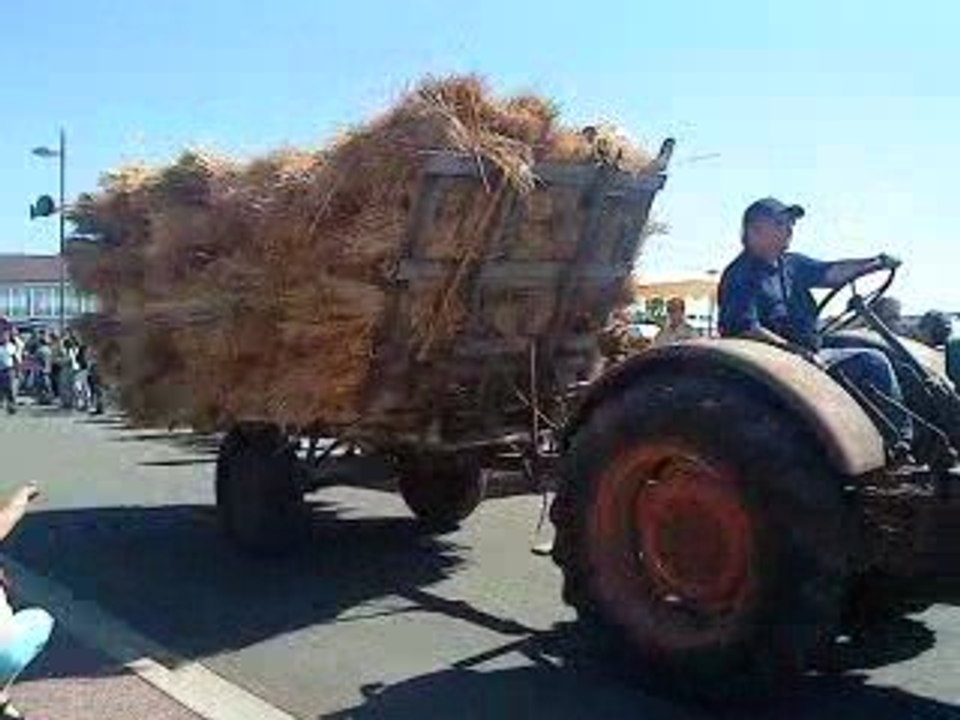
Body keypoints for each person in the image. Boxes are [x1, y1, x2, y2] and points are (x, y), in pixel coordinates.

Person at [718, 197, 912, 454]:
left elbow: (831, 273)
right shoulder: (740, 275)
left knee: (887, 354)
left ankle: (904, 439)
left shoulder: (791, 264)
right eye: (780, 223)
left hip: (807, 350)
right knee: (872, 362)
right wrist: (793, 350)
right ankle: (897, 444)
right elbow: (744, 329)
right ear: (754, 230)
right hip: (774, 363)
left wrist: (873, 263)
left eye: (790, 223)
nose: (789, 229)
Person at [0, 484, 53, 719]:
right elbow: (8, 515)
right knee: (41, 619)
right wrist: (23, 494)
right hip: (6, 650)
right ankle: (1, 695)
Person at [0, 333, 17, 416]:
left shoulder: (12, 347)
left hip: (9, 369)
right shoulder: (0, 348)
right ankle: (3, 404)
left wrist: (17, 369)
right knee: (1, 388)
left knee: (10, 388)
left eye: (5, 337)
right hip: (1, 370)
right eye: (2, 337)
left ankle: (12, 406)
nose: (4, 338)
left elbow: (15, 358)